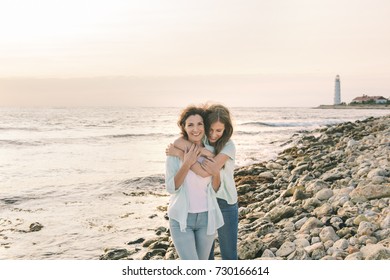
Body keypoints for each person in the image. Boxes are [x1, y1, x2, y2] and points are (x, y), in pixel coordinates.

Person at [166, 104, 238, 260]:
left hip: (225, 200)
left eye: (218, 130)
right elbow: (181, 141)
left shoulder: (227, 145)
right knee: (206, 257)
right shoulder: (202, 140)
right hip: (207, 202)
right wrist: (182, 153)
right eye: (210, 129)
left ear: (226, 129)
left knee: (229, 253)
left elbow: (206, 172)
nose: (213, 135)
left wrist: (181, 155)